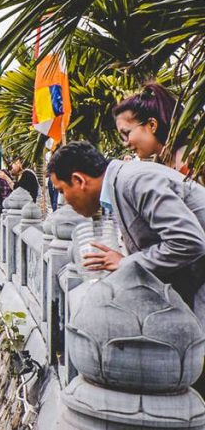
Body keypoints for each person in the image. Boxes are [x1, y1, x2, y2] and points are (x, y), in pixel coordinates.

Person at [47, 141, 205, 324]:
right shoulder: (121, 184)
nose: (63, 200)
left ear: (78, 180)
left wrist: (125, 263)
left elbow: (188, 241)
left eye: (61, 191)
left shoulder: (134, 181)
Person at [113, 83, 188, 174]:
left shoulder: (189, 160)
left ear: (152, 125)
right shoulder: (162, 166)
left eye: (126, 133)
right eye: (122, 138)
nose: (125, 144)